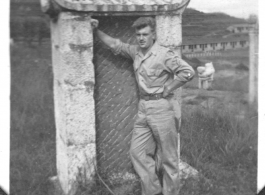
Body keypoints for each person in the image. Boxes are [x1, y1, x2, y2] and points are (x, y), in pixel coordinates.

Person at [91, 17, 195, 195]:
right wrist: (95, 31)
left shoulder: (164, 54)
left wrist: (169, 87)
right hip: (143, 108)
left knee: (169, 158)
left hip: (162, 108)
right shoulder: (135, 52)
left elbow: (188, 71)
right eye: (138, 34)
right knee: (137, 153)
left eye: (145, 34)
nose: (141, 38)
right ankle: (153, 191)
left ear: (153, 35)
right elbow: (115, 45)